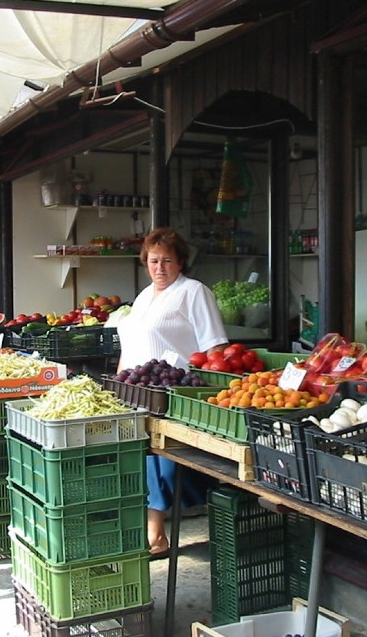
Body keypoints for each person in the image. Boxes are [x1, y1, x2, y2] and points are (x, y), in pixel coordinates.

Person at [116, 227, 228, 559]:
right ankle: (153, 533)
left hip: (175, 393)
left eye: (167, 260)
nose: (159, 267)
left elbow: (215, 347)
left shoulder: (193, 292)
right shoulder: (144, 296)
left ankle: (155, 535)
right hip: (138, 392)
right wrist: (120, 382)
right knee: (143, 458)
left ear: (181, 262)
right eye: (153, 260)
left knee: (161, 462)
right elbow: (133, 345)